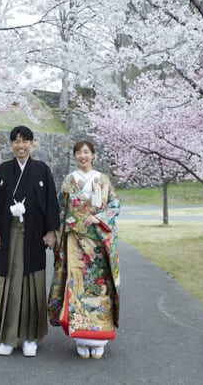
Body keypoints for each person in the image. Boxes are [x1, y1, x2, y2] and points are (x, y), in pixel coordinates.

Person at [0, 125, 60, 357]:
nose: (20, 145)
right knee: (10, 284)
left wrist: (51, 231)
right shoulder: (3, 171)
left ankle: (31, 338)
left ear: (32, 144)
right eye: (16, 141)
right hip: (10, 233)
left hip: (33, 235)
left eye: (25, 141)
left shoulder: (42, 170)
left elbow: (51, 202)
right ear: (11, 144)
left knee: (33, 284)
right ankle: (8, 337)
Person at [47, 139, 120, 359]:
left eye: (86, 152)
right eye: (78, 153)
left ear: (94, 155)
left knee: (100, 289)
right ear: (75, 156)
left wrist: (96, 218)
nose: (82, 156)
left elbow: (115, 205)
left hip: (98, 244)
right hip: (75, 243)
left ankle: (100, 339)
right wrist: (70, 226)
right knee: (77, 289)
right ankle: (81, 337)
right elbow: (60, 209)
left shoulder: (102, 179)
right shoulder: (70, 180)